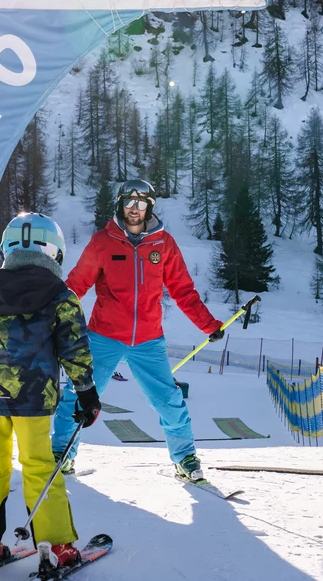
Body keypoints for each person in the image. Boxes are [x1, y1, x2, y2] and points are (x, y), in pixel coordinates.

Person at [0, 212, 102, 573]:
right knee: (39, 465)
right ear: (54, 251)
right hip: (34, 398)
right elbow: (74, 349)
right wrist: (87, 393)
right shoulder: (61, 296)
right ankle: (56, 545)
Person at [54, 179, 223, 481]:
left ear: (150, 207)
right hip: (104, 336)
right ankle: (61, 454)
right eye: (130, 203)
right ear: (120, 204)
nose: (135, 209)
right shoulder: (103, 242)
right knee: (80, 394)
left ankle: (185, 459)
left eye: (141, 203)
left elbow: (183, 289)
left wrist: (208, 324)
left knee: (169, 400)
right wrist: (50, 314)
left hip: (148, 340)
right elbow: (76, 285)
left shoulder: (163, 244)